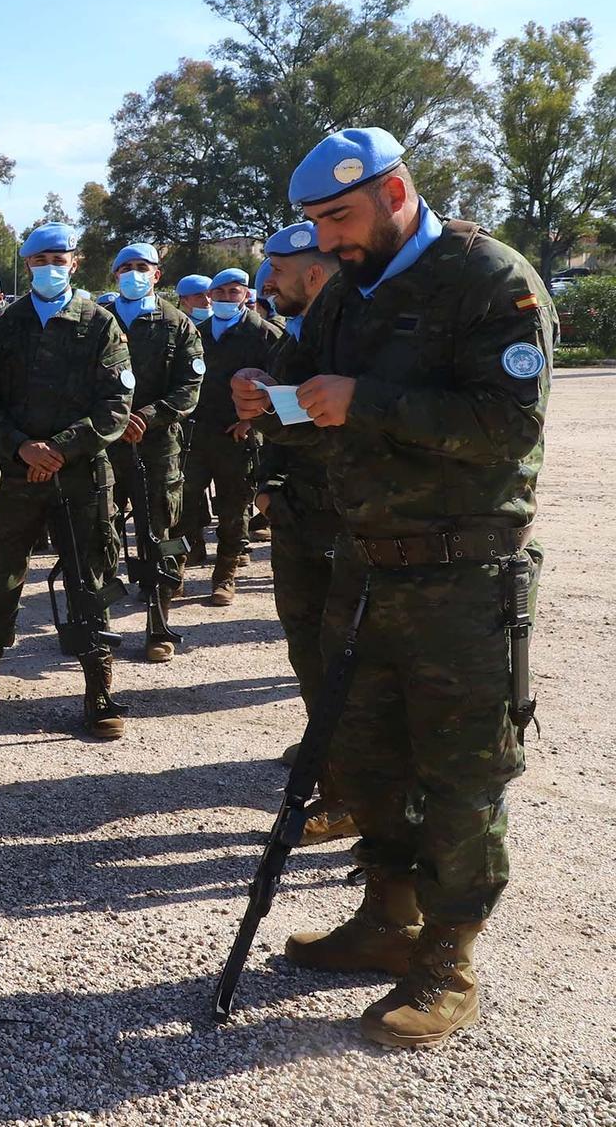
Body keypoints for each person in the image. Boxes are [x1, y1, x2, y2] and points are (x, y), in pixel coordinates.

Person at [234, 127, 553, 1049]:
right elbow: (310, 409)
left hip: (465, 575)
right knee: (364, 757)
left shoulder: (492, 281)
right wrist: (271, 398)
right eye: (315, 225)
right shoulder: (344, 297)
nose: (328, 240)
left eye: (340, 217)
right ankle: (389, 918)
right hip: (363, 567)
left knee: (461, 773)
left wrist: (361, 400)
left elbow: (507, 422)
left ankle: (449, 956)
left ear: (397, 191)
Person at [0, 223, 133, 738]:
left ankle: (100, 689)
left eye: (60, 256)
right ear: (27, 265)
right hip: (16, 477)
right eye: (40, 258)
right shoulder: (3, 325)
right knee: (1, 579)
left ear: (76, 260)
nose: (51, 265)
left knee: (88, 580)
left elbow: (116, 405)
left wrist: (60, 449)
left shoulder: (100, 324)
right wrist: (22, 445)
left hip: (81, 478)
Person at [252, 221, 353, 843]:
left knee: (344, 660)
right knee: (311, 652)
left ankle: (348, 794)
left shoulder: (357, 332)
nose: (269, 283)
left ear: (313, 273)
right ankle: (329, 757)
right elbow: (286, 414)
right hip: (301, 517)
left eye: (278, 272)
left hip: (345, 522)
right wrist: (268, 475)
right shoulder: (306, 328)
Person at [106, 242, 204, 663]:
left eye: (141, 266)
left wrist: (146, 414)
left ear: (157, 274)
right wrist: (110, 420)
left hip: (157, 446)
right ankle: (95, 625)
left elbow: (189, 387)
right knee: (98, 532)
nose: (133, 273)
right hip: (104, 446)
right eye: (125, 267)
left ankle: (157, 624)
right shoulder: (97, 320)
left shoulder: (177, 323)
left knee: (159, 534)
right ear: (114, 276)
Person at [173, 266, 281, 606]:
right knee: (184, 505)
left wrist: (251, 422)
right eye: (219, 293)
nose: (225, 298)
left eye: (234, 292)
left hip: (239, 436)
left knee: (234, 510)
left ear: (246, 295)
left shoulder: (263, 334)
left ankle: (225, 576)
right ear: (210, 296)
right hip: (197, 432)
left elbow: (277, 385)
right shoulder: (195, 331)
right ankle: (176, 572)